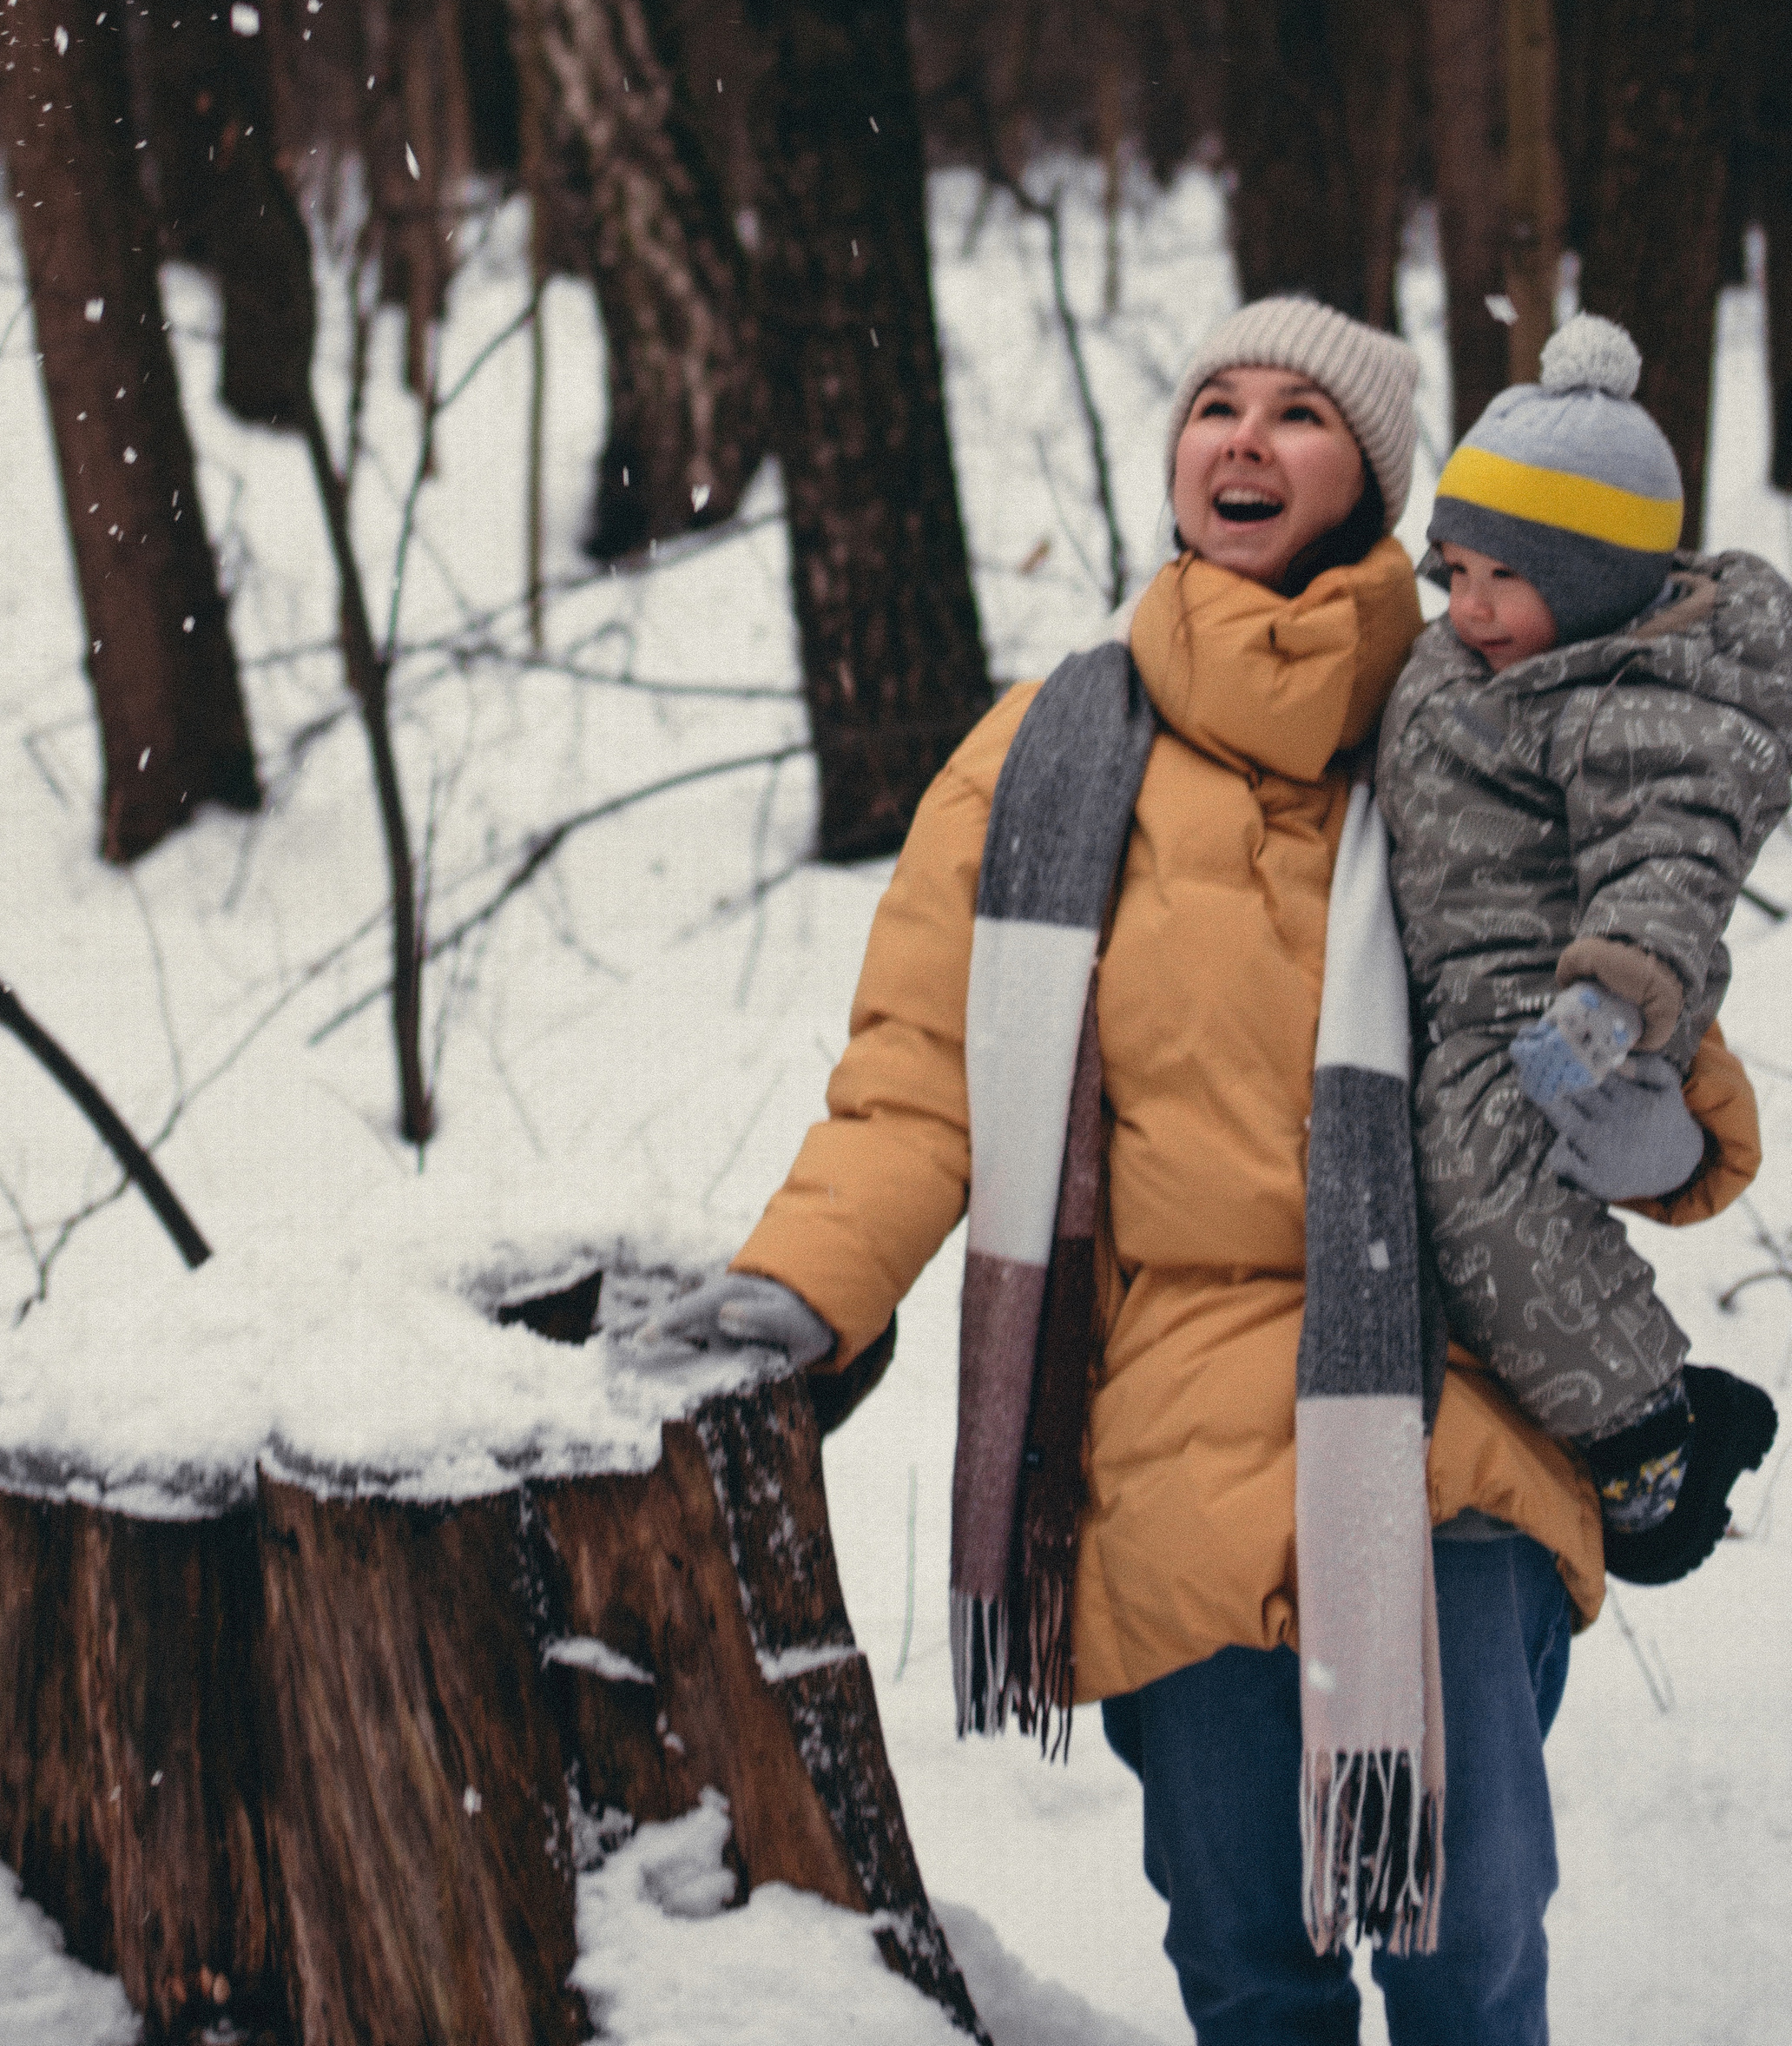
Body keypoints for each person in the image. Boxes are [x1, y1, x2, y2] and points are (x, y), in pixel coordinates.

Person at [657, 294, 1763, 2046]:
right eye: (1213, 407)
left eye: (1296, 417)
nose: (1242, 439)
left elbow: (1637, 1024)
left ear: (1374, 484)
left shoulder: (1486, 720)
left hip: (1449, 1406)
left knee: (1470, 1951)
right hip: (1158, 1437)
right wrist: (801, 1290)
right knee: (1251, 1968)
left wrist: (1653, 1114)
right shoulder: (1038, 757)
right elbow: (919, 1080)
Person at [1378, 314, 1784, 1583]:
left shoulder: (1632, 705)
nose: (1474, 607)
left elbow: (1675, 856)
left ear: (1603, 583)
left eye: (1511, 577)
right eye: (1455, 572)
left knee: (1496, 1203)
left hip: (1549, 1017)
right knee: (1484, 1205)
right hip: (1469, 999)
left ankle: (1650, 1429)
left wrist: (1614, 996)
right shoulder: (1494, 657)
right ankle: (1640, 1413)